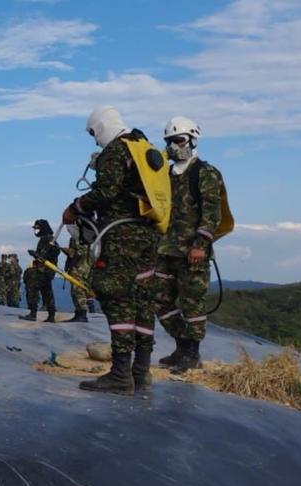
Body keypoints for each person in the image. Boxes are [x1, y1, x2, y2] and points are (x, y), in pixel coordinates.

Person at [63, 106, 161, 394]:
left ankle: (120, 375)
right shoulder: (144, 148)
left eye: (94, 133)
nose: (95, 140)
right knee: (143, 300)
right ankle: (141, 372)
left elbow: (106, 193)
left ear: (102, 126)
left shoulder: (117, 151)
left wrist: (75, 207)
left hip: (122, 237)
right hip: (148, 236)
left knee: (114, 293)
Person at [155, 116, 224, 374]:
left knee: (192, 303)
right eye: (169, 142)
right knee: (159, 299)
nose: (173, 147)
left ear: (193, 141)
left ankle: (192, 354)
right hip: (166, 249)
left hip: (192, 252)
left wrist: (200, 244)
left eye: (179, 140)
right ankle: (182, 345)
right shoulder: (164, 174)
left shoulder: (205, 173)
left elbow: (211, 214)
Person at [21, 219, 60, 322]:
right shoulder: (48, 239)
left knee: (32, 287)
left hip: (43, 270)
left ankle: (33, 313)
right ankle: (51, 315)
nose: (36, 230)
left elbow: (48, 255)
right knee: (47, 291)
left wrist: (35, 254)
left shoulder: (48, 239)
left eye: (37, 228)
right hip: (47, 271)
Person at [61, 226, 93, 322]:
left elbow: (80, 253)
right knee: (74, 291)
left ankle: (83, 313)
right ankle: (78, 313)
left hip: (81, 268)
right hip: (76, 268)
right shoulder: (75, 238)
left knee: (78, 290)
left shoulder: (82, 238)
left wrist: (65, 250)